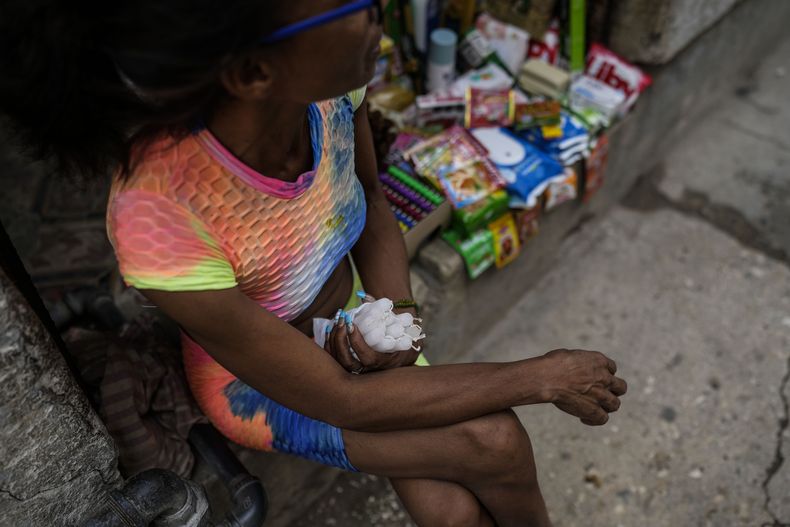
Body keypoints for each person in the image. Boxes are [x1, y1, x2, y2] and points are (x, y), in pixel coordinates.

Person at [0, 1, 627, 525]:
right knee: (496, 441)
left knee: (450, 511)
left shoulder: (332, 94)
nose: (373, 14)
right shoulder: (159, 214)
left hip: (357, 325)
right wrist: (542, 376)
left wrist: (397, 326)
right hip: (263, 387)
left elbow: (374, 205)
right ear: (253, 73)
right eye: (352, 8)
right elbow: (340, 401)